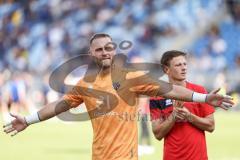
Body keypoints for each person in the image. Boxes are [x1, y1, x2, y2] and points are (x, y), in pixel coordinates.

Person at [3, 34, 234, 160]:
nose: (105, 52)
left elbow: (169, 89)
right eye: (100, 49)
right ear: (91, 53)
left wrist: (203, 99)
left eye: (109, 48)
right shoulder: (85, 85)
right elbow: (58, 106)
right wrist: (29, 119)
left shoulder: (131, 77)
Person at [150, 50, 219, 160]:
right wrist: (173, 116)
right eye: (178, 65)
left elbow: (211, 126)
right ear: (166, 69)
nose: (184, 68)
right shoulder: (157, 97)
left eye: (185, 64)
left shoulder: (199, 91)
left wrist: (189, 116)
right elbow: (157, 134)